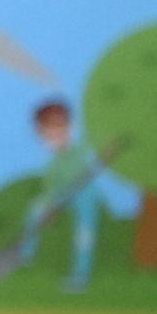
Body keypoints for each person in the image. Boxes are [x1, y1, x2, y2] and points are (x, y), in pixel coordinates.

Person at [13, 98, 112, 292]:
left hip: (85, 194)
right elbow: (51, 187)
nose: (54, 135)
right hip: (62, 194)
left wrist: (105, 146)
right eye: (47, 132)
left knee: (84, 234)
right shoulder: (54, 163)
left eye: (59, 128)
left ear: (69, 127)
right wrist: (51, 206)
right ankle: (26, 251)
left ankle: (80, 276)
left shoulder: (78, 149)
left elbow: (92, 139)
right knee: (35, 209)